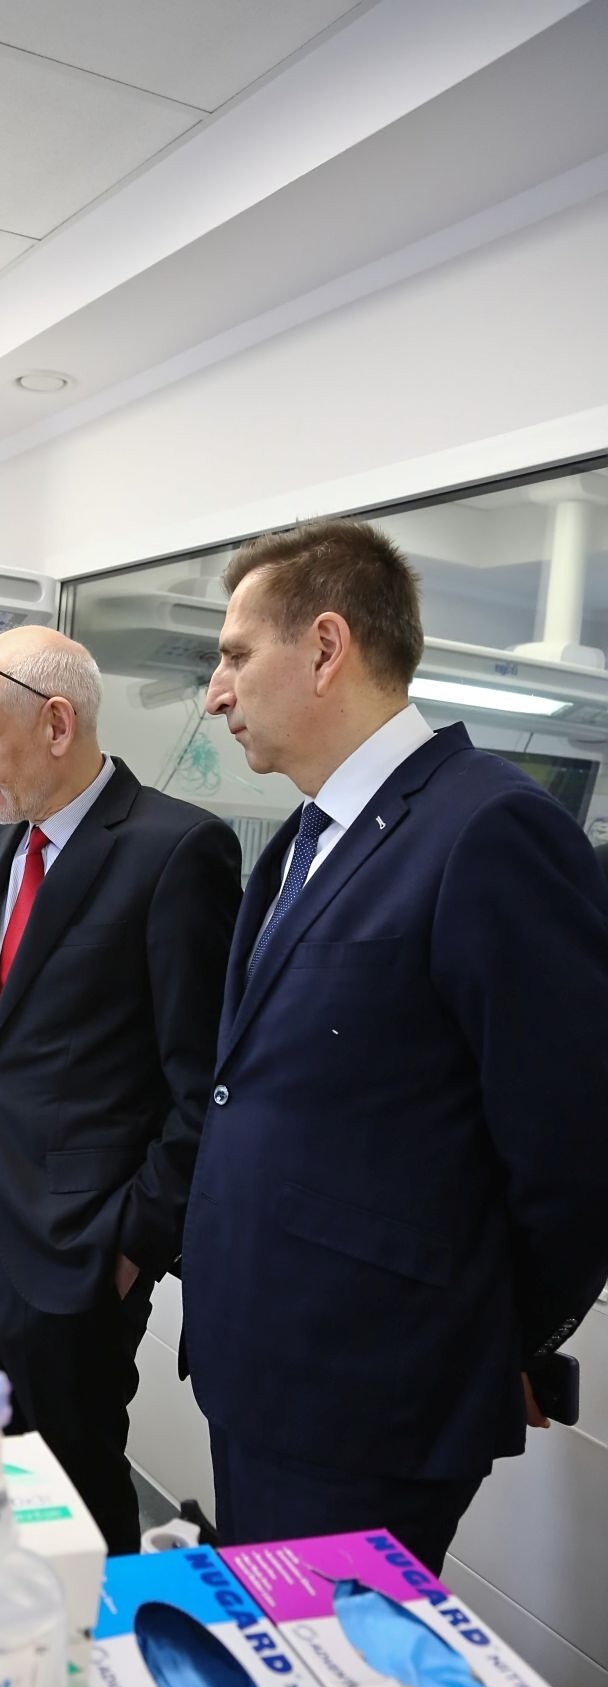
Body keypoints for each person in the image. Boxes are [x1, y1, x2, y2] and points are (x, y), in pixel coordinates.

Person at [185, 517, 608, 1573]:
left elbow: (574, 1146)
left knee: (328, 1663)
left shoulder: (488, 831)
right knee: (272, 1644)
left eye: (234, 655)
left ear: (325, 648)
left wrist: (500, 1337)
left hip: (369, 1393)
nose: (215, 693)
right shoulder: (301, 843)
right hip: (261, 1363)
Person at [0, 627, 242, 1554]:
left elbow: (204, 1086)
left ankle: (96, 1642)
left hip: (77, 1250)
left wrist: (130, 1246)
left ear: (56, 724)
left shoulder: (176, 852)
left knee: (77, 1491)